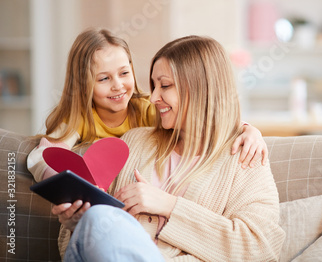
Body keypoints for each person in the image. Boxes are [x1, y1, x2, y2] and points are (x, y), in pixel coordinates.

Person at [53, 35, 285, 261]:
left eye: (165, 86)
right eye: (154, 86)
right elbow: (80, 243)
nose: (153, 97)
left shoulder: (245, 157)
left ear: (201, 89)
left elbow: (260, 248)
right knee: (98, 216)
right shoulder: (133, 142)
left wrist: (169, 205)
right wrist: (76, 224)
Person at [27, 28, 268, 183]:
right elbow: (44, 156)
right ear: (83, 84)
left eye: (124, 73)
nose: (118, 86)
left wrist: (248, 130)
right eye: (103, 79)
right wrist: (61, 182)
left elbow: (202, 119)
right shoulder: (78, 119)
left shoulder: (147, 109)